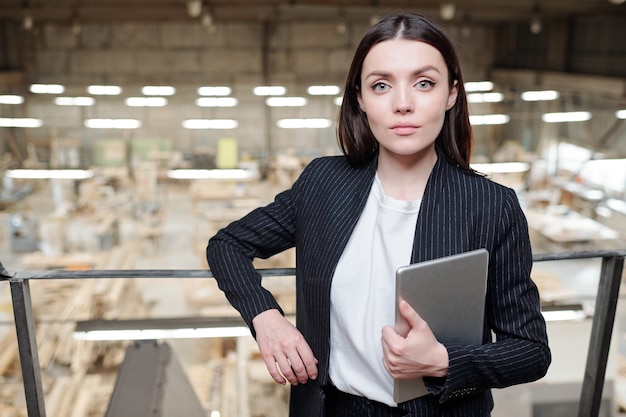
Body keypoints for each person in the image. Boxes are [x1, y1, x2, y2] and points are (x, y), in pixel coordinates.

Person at [206, 12, 550, 417]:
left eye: (424, 83)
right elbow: (226, 245)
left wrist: (443, 362)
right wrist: (266, 319)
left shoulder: (491, 205)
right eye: (382, 85)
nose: (403, 104)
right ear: (360, 98)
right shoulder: (323, 183)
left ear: (452, 94)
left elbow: (530, 351)